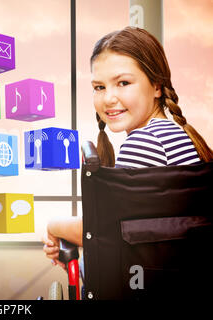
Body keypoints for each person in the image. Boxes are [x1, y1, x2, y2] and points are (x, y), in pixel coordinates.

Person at [43, 26, 213, 267]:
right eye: (99, 87)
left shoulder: (144, 142)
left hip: (141, 277)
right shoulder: (177, 135)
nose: (108, 98)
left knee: (79, 263)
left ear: (156, 85)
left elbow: (102, 231)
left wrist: (53, 226)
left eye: (123, 82)